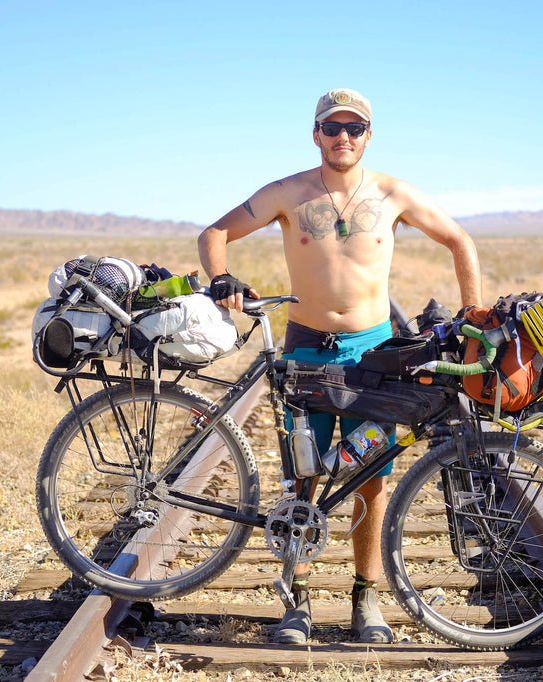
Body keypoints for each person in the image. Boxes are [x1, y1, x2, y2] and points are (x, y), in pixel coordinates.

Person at [198, 88, 482, 645]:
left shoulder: (393, 193)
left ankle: (365, 597)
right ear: (316, 134)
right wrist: (220, 277)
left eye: (354, 128)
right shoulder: (289, 192)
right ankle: (296, 601)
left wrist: (472, 318)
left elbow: (459, 240)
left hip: (373, 353)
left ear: (369, 135)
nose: (343, 137)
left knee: (371, 480)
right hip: (305, 347)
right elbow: (214, 233)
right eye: (333, 128)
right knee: (305, 476)